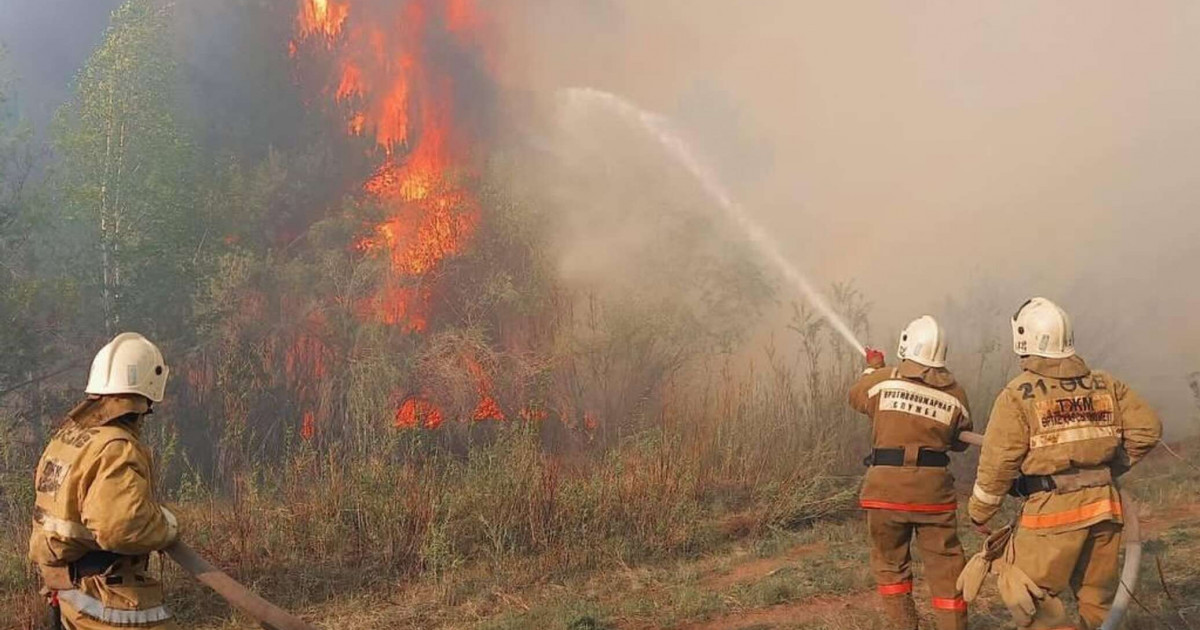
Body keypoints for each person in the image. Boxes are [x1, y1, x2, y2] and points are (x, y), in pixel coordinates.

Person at [969, 298, 1162, 630]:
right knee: (1098, 602)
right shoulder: (1105, 384)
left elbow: (998, 461)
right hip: (1105, 508)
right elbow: (1148, 430)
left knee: (1031, 599)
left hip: (1051, 514)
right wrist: (1105, 470)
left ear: (1023, 338)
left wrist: (980, 510)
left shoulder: (1017, 394)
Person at [29, 333, 180, 629]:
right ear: (146, 397)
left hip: (68, 589)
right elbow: (122, 529)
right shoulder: (116, 449)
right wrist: (169, 526)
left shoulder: (69, 438)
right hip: (105, 597)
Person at [849, 316, 973, 630]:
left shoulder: (883, 380)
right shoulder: (956, 393)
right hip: (933, 496)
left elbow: (857, 397)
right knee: (947, 569)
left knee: (891, 567)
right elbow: (960, 442)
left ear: (907, 345)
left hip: (885, 493)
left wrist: (873, 368)